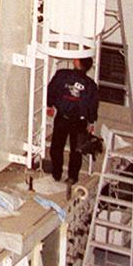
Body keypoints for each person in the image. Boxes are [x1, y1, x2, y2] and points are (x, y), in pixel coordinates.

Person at [47, 56, 100, 184]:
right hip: (79, 121)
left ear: (76, 62)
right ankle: (72, 177)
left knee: (57, 147)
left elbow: (51, 90)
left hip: (63, 118)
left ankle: (56, 174)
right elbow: (93, 105)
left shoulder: (62, 75)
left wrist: (49, 105)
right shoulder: (91, 85)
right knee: (76, 150)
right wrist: (91, 121)